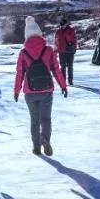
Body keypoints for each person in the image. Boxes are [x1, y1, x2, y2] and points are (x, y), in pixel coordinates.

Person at [13, 16, 67, 156]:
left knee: (34, 120)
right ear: (39, 33)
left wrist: (16, 91)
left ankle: (36, 147)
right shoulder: (48, 50)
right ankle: (45, 140)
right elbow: (56, 69)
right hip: (46, 90)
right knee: (46, 119)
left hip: (29, 92)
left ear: (26, 35)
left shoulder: (23, 52)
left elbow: (19, 73)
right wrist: (63, 85)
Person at [54, 18, 77, 86]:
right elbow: (56, 41)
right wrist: (55, 49)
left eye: (63, 25)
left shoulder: (71, 30)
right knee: (62, 66)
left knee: (70, 66)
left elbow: (74, 40)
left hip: (69, 51)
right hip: (61, 51)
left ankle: (70, 81)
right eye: (61, 25)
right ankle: (63, 80)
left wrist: (74, 49)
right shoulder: (58, 31)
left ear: (66, 24)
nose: (62, 26)